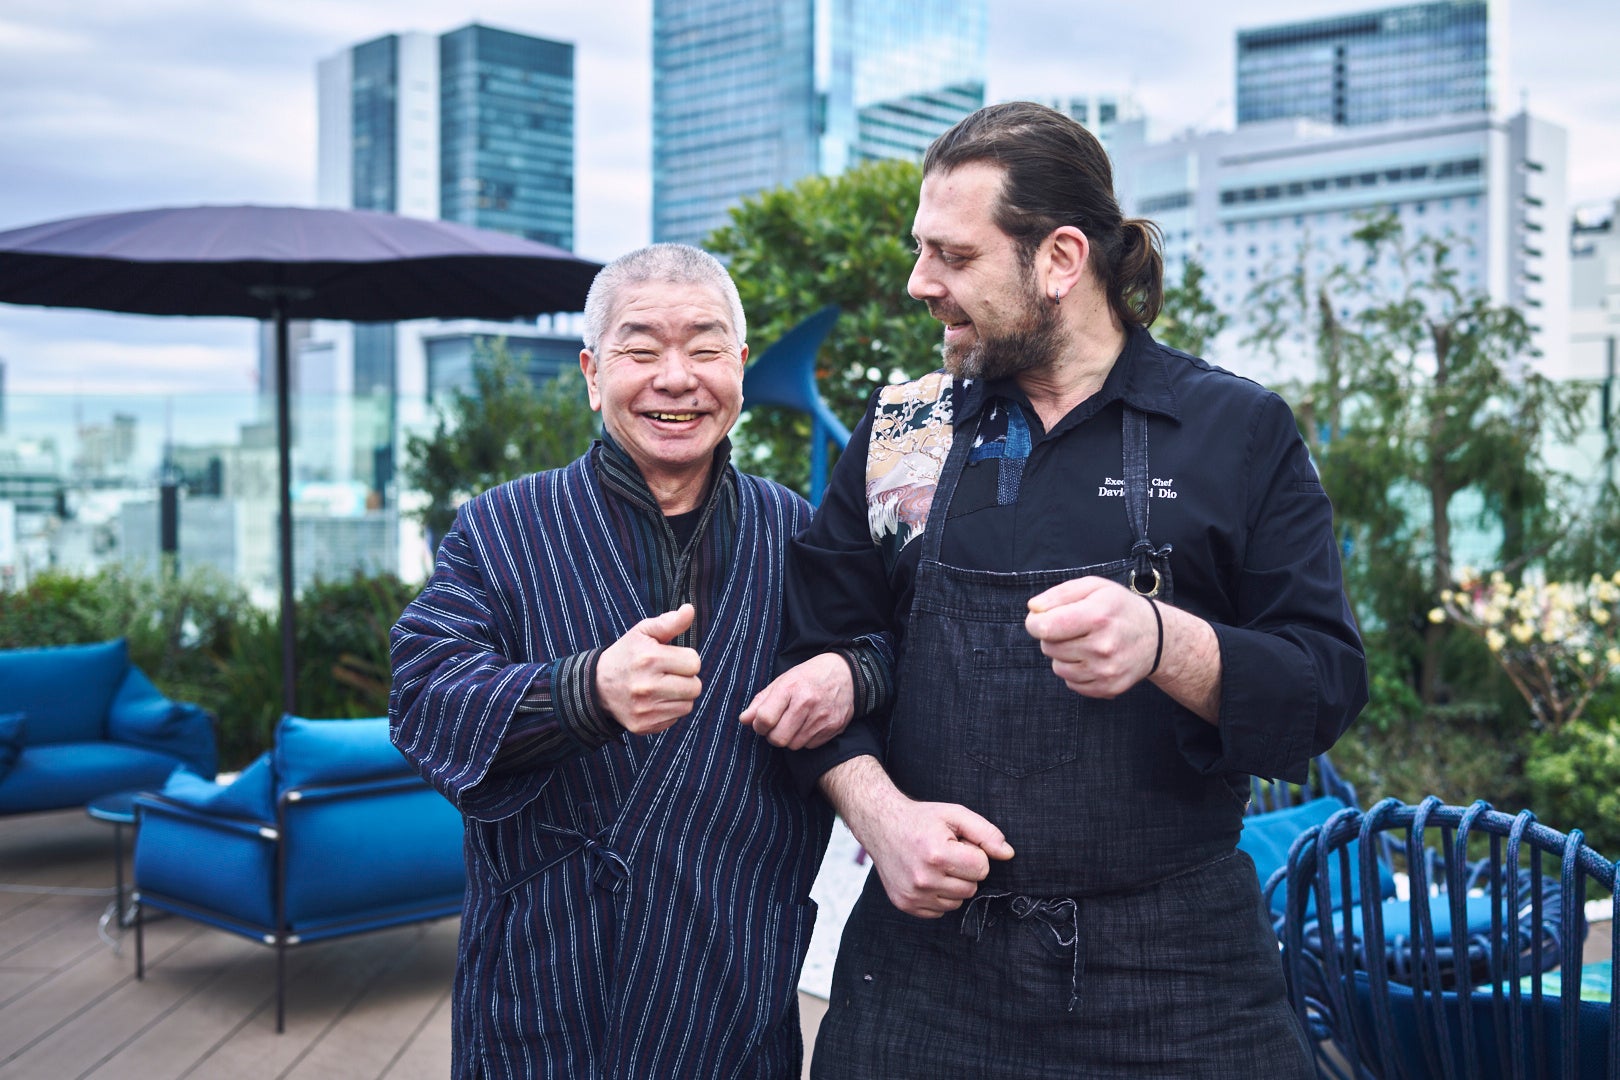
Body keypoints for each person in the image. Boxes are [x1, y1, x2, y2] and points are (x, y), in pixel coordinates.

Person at [743, 102, 1369, 1077]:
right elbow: (812, 655)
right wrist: (879, 818)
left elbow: (1322, 686)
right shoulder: (905, 432)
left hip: (1176, 970)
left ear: (1061, 259)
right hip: (926, 973)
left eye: (954, 256)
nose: (920, 283)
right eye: (921, 251)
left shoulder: (1236, 431)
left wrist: (1165, 642)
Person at [390, 244, 833, 1080]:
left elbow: (881, 656)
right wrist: (583, 691)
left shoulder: (799, 534)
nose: (676, 378)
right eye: (641, 349)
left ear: (739, 368)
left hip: (731, 984)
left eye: (704, 348)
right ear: (594, 374)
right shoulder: (501, 528)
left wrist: (849, 676)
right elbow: (422, 692)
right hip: (543, 988)